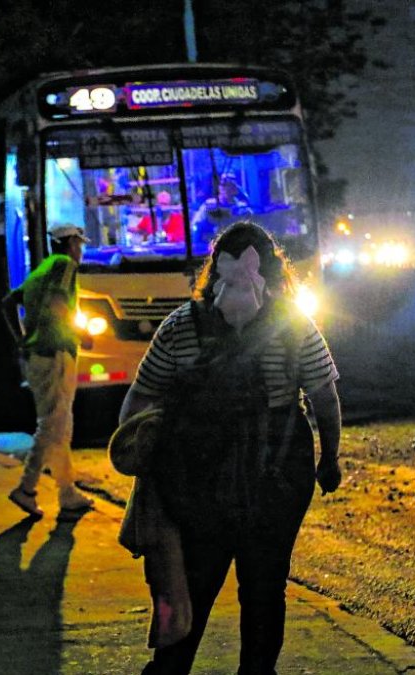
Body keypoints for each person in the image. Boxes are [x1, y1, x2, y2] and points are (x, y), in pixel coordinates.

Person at [118, 221, 343, 674]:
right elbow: (325, 398)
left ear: (213, 270)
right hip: (277, 473)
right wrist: (328, 458)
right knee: (263, 585)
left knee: (195, 581)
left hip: (197, 477)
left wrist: (140, 454)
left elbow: (138, 399)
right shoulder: (295, 323)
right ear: (276, 269)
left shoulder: (180, 324)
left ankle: (170, 667)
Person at [0, 223, 97, 520]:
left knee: (60, 425)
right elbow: (59, 304)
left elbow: (8, 303)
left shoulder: (39, 271)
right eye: (78, 245)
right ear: (68, 245)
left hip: (37, 354)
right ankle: (26, 488)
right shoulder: (64, 265)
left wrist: (21, 340)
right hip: (55, 352)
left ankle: (67, 493)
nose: (80, 251)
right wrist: (81, 334)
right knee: (53, 423)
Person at [191, 172, 252, 248]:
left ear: (235, 189)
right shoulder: (208, 207)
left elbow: (251, 231)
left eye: (230, 185)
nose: (226, 188)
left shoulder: (243, 209)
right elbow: (196, 226)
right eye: (223, 185)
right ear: (219, 188)